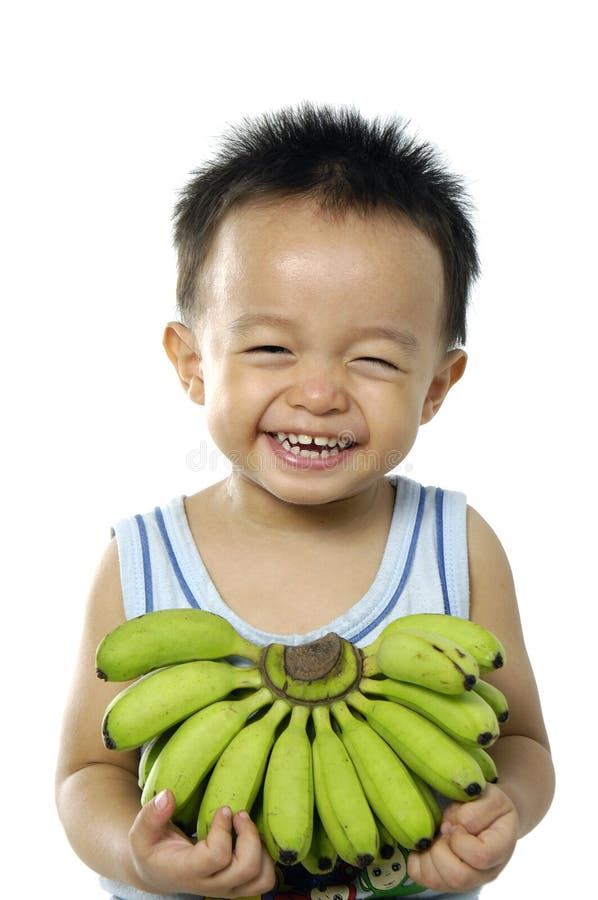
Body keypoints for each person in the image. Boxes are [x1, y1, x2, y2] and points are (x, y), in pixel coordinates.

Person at [55, 104, 555, 900]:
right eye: (271, 348)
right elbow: (88, 774)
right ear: (191, 364)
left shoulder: (455, 545)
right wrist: (134, 853)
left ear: (435, 387)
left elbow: (523, 742)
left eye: (374, 359)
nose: (319, 393)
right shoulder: (143, 561)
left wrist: (505, 810)